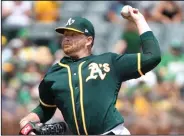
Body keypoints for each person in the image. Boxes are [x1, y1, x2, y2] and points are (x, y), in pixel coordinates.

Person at [19, 6, 161, 135]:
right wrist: (27, 121)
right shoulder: (54, 74)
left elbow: (152, 56)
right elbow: (45, 109)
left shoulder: (109, 62)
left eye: (73, 35)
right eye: (65, 35)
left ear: (88, 40)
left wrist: (139, 19)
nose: (67, 38)